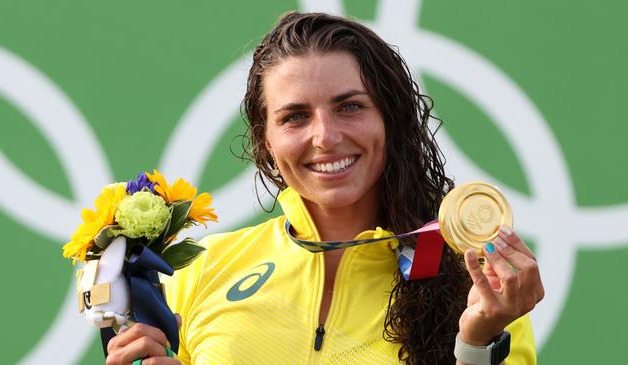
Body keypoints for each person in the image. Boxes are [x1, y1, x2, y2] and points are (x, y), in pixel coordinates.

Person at [105, 12, 544, 365]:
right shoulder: (202, 271)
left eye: (350, 106)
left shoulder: (475, 290)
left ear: (390, 120)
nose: (325, 137)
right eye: (295, 116)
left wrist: (474, 345)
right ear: (266, 141)